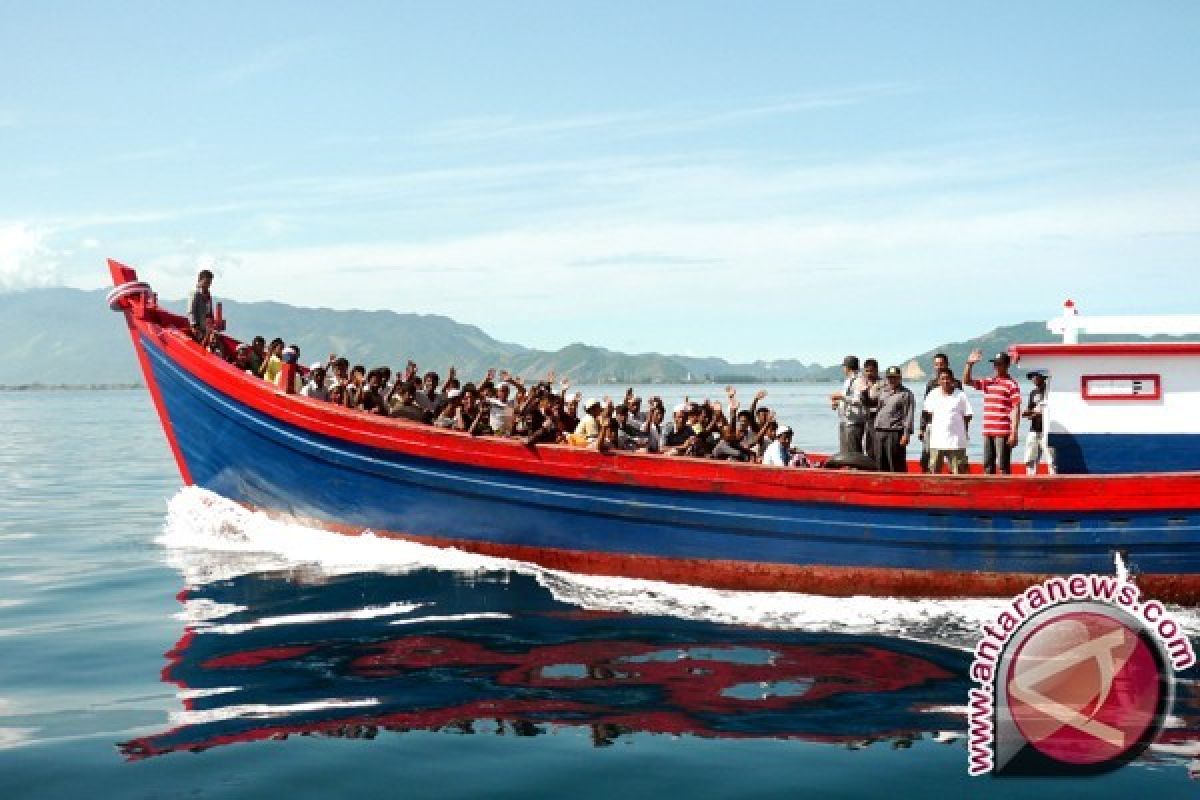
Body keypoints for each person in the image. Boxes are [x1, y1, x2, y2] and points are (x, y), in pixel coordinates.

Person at [964, 349, 1022, 475]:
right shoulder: (989, 381)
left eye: (999, 363)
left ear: (1007, 365)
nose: (996, 366)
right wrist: (969, 364)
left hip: (1003, 432)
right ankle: (988, 492)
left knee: (1003, 466)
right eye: (995, 363)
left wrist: (1014, 433)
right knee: (987, 465)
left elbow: (1016, 408)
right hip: (987, 431)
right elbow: (966, 381)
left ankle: (1005, 491)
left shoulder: (1011, 384)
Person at [923, 368, 973, 474]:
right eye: (942, 379)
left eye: (948, 378)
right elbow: (928, 413)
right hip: (937, 441)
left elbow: (968, 415)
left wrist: (963, 430)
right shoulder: (932, 394)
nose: (945, 381)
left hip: (956, 442)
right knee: (934, 471)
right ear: (938, 381)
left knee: (960, 472)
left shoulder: (960, 395)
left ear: (953, 380)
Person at [919, 353, 959, 471]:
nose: (939, 367)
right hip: (932, 426)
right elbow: (926, 408)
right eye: (936, 364)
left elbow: (960, 407)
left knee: (952, 456)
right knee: (927, 454)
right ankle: (926, 479)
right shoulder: (931, 384)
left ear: (947, 364)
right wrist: (922, 428)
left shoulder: (956, 384)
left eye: (942, 364)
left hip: (950, 427)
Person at [872, 366, 915, 472]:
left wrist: (906, 434)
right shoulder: (882, 391)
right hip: (879, 431)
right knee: (880, 462)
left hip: (895, 433)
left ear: (900, 378)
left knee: (896, 463)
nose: (892, 380)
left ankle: (900, 485)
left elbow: (908, 415)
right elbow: (875, 407)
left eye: (895, 377)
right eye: (890, 377)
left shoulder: (906, 394)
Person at [830, 356, 868, 455]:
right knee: (845, 452)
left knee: (854, 452)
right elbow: (847, 398)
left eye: (844, 366)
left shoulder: (860, 380)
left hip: (854, 422)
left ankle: (856, 470)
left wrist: (841, 397)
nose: (843, 369)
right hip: (845, 420)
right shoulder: (848, 380)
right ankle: (849, 469)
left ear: (848, 367)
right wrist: (837, 403)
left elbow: (860, 400)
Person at [1023, 370, 1055, 475]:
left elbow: (1049, 411)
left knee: (1051, 460)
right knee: (1030, 458)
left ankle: (1054, 480)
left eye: (1036, 376)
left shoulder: (1050, 393)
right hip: (1034, 429)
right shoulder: (1033, 393)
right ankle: (1030, 480)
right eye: (1032, 376)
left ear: (1043, 377)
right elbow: (1028, 410)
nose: (1033, 378)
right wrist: (1031, 413)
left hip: (1047, 431)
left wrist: (1034, 413)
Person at [187, 270, 214, 343]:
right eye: (206, 282)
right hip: (197, 329)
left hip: (205, 329)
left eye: (209, 283)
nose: (208, 285)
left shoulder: (208, 295)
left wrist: (212, 325)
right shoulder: (195, 293)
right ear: (200, 280)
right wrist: (194, 326)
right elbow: (190, 312)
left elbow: (209, 312)